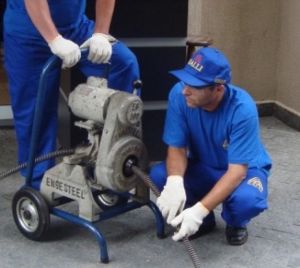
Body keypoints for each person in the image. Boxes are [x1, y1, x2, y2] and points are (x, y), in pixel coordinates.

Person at [3, 0, 140, 189]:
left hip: (75, 28)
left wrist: (101, 33)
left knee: (123, 64)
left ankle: (111, 162)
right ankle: (37, 184)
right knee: (34, 111)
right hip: (28, 33)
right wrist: (55, 40)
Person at [150, 47, 272, 245]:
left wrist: (199, 211)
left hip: (243, 171)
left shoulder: (242, 109)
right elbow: (177, 147)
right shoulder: (179, 95)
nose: (185, 90)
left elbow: (236, 172)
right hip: (204, 165)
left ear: (218, 88)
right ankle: (204, 222)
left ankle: (235, 221)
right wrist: (174, 181)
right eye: (185, 81)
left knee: (247, 200)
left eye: (195, 86)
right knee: (159, 175)